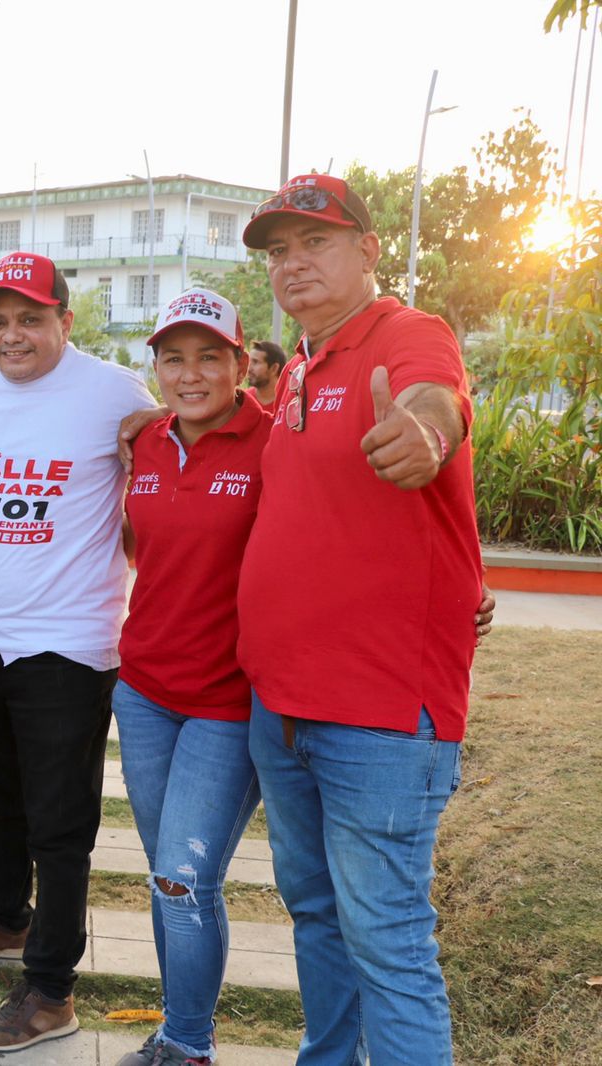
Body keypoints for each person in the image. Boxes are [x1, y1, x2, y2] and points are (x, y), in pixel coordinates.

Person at [232, 174, 480, 1066]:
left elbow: (433, 402)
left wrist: (424, 436)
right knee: (316, 916)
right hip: (284, 708)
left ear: (368, 252)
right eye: (277, 250)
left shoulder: (406, 336)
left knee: (388, 940)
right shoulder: (301, 364)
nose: (292, 264)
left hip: (378, 717)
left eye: (315, 243)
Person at [0, 252, 155, 1052]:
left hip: (68, 648)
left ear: (66, 319)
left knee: (60, 829)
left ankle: (52, 991)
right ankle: (5, 918)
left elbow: (166, 478)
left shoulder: (119, 395)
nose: (11, 336)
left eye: (29, 318)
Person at [111, 289, 270, 1066]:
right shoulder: (142, 442)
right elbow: (149, 554)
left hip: (229, 703)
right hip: (142, 691)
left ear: (243, 364)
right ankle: (178, 1032)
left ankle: (189, 1045)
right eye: (174, 357)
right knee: (166, 877)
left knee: (183, 878)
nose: (192, 372)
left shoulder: (276, 445)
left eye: (211, 355)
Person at [246, 339, 286, 410]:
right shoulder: (242, 401)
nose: (249, 369)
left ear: (274, 368)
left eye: (255, 362)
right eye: (249, 362)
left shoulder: (289, 402)